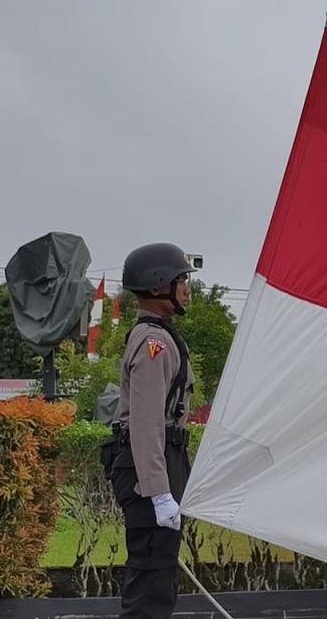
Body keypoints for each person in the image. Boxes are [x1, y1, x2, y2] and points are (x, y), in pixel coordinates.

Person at [102, 243, 197, 619]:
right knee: (151, 582)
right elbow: (146, 423)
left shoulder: (159, 335)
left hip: (162, 462)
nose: (186, 287)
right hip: (150, 472)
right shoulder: (153, 342)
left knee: (159, 575)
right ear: (159, 285)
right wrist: (159, 493)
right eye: (181, 279)